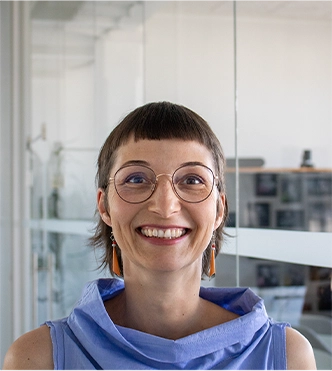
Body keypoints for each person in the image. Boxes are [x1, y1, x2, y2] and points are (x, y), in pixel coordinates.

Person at [3, 102, 316, 370]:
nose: (165, 206)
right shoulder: (39, 359)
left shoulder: (286, 357)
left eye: (192, 179)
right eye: (137, 178)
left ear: (219, 209)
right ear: (105, 206)